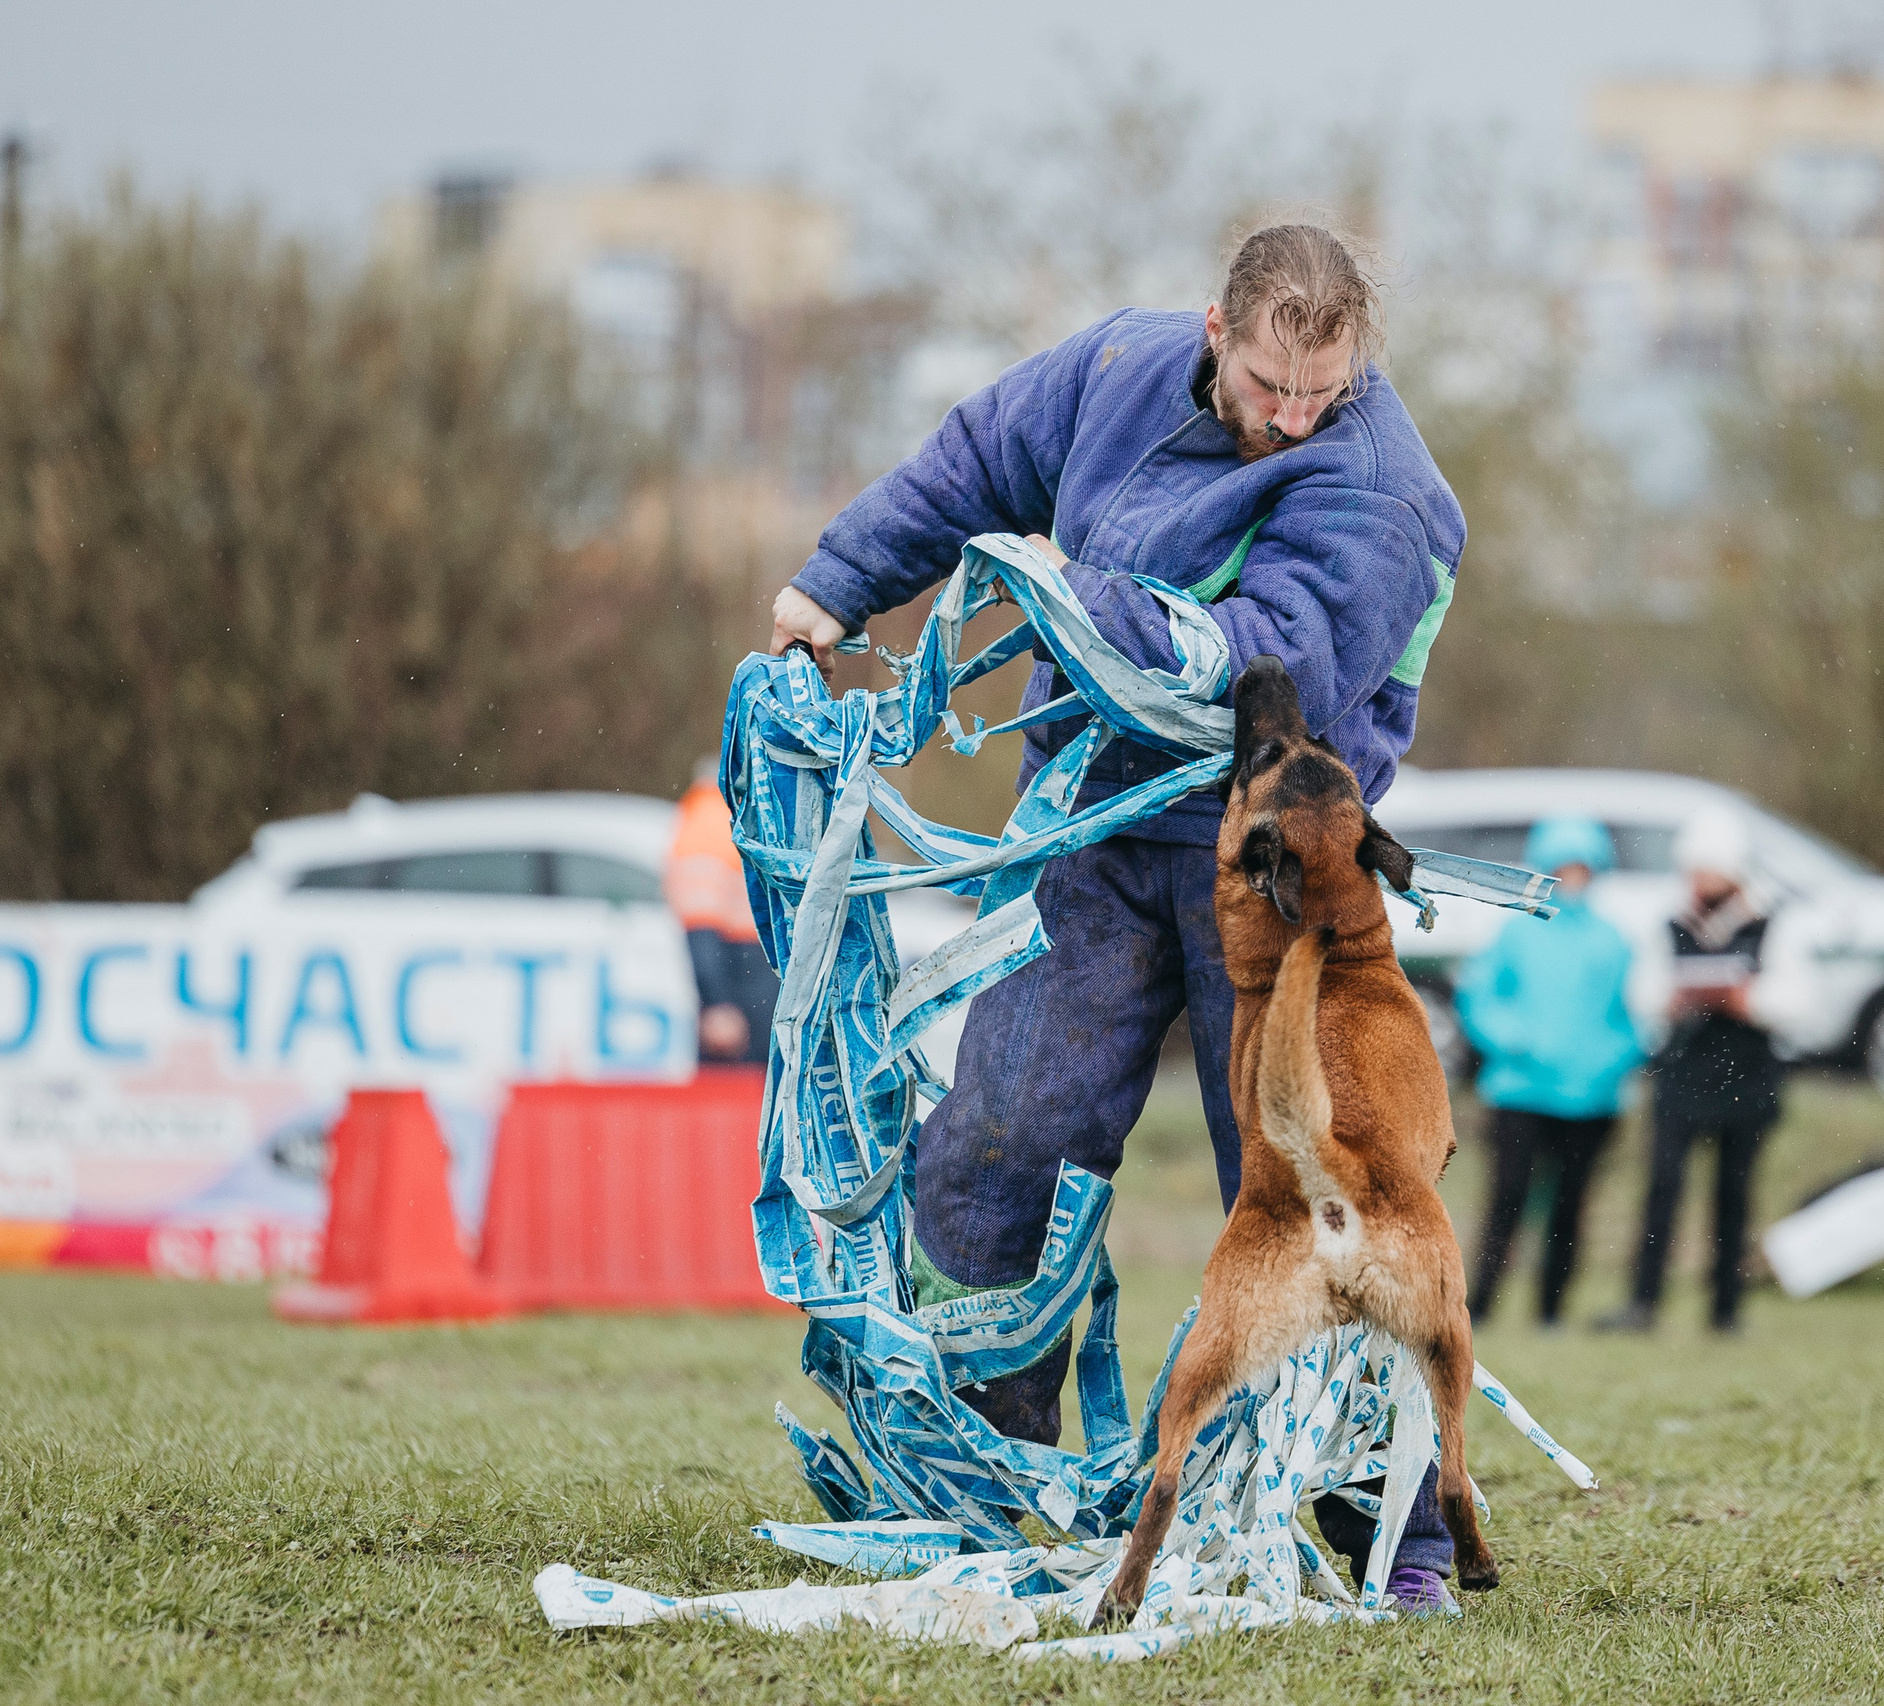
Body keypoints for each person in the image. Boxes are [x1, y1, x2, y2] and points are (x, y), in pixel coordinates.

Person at [767, 224, 1467, 1610]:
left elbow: (1271, 662)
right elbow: (972, 463)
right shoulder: (1114, 370)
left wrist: (1061, 585)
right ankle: (983, 1483)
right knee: (992, 1151)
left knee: (1326, 1197)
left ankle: (1395, 1540)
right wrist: (830, 588)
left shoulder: (1379, 487)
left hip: (1271, 874)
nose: (1291, 420)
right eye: (1270, 385)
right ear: (1218, 331)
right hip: (1084, 842)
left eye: (1322, 393)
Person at [1595, 809, 1784, 1336]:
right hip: (1683, 1072)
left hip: (1747, 1075)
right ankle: (1643, 1303)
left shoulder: (1771, 922)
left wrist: (1747, 1001)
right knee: (1663, 1190)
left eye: (1710, 870)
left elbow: (1799, 997)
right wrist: (1675, 999)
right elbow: (1644, 993)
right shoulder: (1671, 923)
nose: (1700, 882)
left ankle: (1726, 1309)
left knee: (1734, 1194)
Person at [1456, 816, 1645, 1330]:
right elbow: (1479, 998)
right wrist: (1511, 1040)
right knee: (1506, 1203)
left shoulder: (1614, 941)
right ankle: (1482, 1308)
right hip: (1519, 1091)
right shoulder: (1515, 932)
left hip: (1591, 1099)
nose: (1573, 877)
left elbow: (1635, 1019)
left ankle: (1551, 1311)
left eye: (1581, 867)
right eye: (1563, 867)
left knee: (1570, 1208)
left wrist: (1613, 1060)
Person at [667, 761, 779, 1067]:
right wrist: (718, 1003)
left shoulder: (733, 814)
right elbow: (700, 928)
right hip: (742, 980)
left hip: (751, 974)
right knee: (736, 1098)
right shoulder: (712, 821)